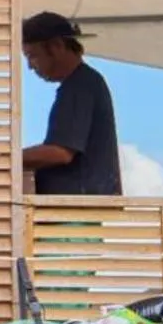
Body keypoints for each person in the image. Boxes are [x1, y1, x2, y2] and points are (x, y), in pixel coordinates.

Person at [21, 12, 122, 195]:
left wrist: (7, 158)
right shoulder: (85, 82)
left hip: (74, 210)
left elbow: (60, 152)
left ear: (57, 46)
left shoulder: (79, 86)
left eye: (32, 55)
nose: (30, 66)